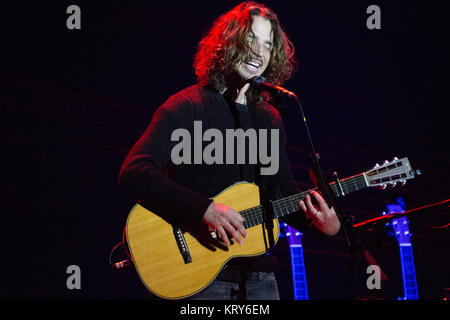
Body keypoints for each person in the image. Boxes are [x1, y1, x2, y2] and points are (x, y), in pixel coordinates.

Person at [118, 2, 341, 300]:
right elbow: (134, 171)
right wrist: (204, 209)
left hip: (261, 279)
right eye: (250, 39)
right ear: (228, 44)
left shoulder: (269, 118)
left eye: (267, 44)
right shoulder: (186, 107)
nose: (259, 52)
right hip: (199, 280)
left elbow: (281, 195)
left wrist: (322, 225)